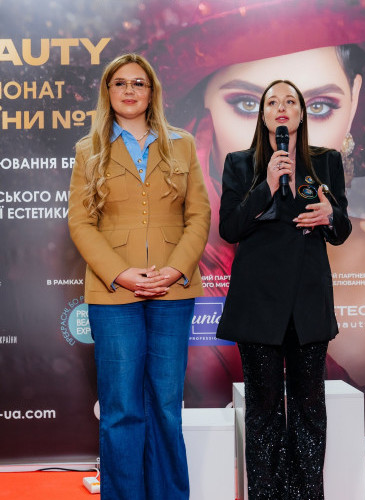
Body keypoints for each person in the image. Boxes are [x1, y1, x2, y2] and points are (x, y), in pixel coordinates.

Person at [130, 0, 365, 415]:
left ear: (354, 101)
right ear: (203, 108)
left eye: (319, 105)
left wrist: (327, 217)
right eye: (247, 104)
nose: (283, 125)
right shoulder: (165, 255)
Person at [68, 53, 210, 500]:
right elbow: (81, 223)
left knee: (166, 405)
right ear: (108, 92)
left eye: (139, 83)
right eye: (120, 83)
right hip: (114, 294)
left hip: (173, 289)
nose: (129, 90)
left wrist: (175, 269)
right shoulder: (88, 149)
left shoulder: (182, 143)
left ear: (152, 93)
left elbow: (199, 215)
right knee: (121, 408)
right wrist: (121, 273)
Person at [216, 79, 351, 499]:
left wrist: (331, 215)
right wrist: (268, 186)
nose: (281, 107)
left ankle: (307, 494)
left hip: (308, 302)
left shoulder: (326, 161)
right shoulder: (241, 163)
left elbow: (341, 230)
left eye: (290, 101)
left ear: (301, 113)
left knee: (310, 408)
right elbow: (230, 228)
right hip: (258, 304)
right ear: (262, 114)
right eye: (272, 101)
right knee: (263, 409)